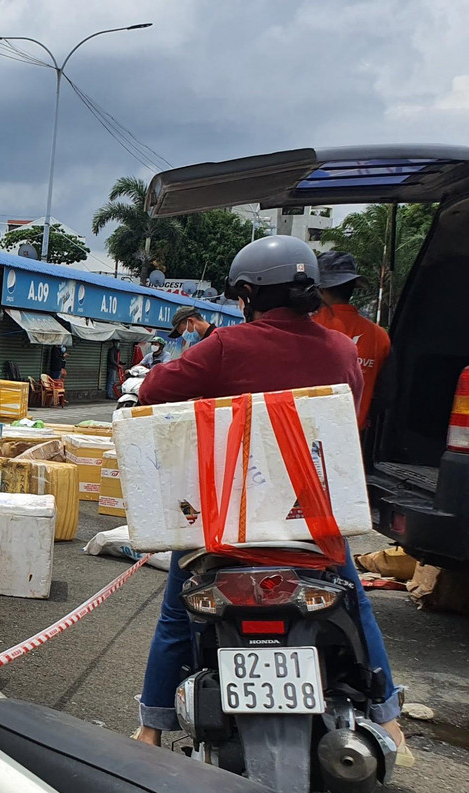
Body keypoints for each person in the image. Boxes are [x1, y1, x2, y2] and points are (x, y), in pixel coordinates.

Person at [133, 235, 405, 753]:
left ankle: (151, 727)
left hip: (226, 522)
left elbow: (150, 392)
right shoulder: (345, 350)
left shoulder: (225, 346)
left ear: (247, 294)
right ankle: (389, 717)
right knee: (358, 603)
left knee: (175, 612)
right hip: (312, 521)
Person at [314, 250, 391, 429]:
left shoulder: (307, 327)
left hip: (308, 436)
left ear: (321, 289)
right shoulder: (379, 336)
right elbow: (385, 395)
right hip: (354, 441)